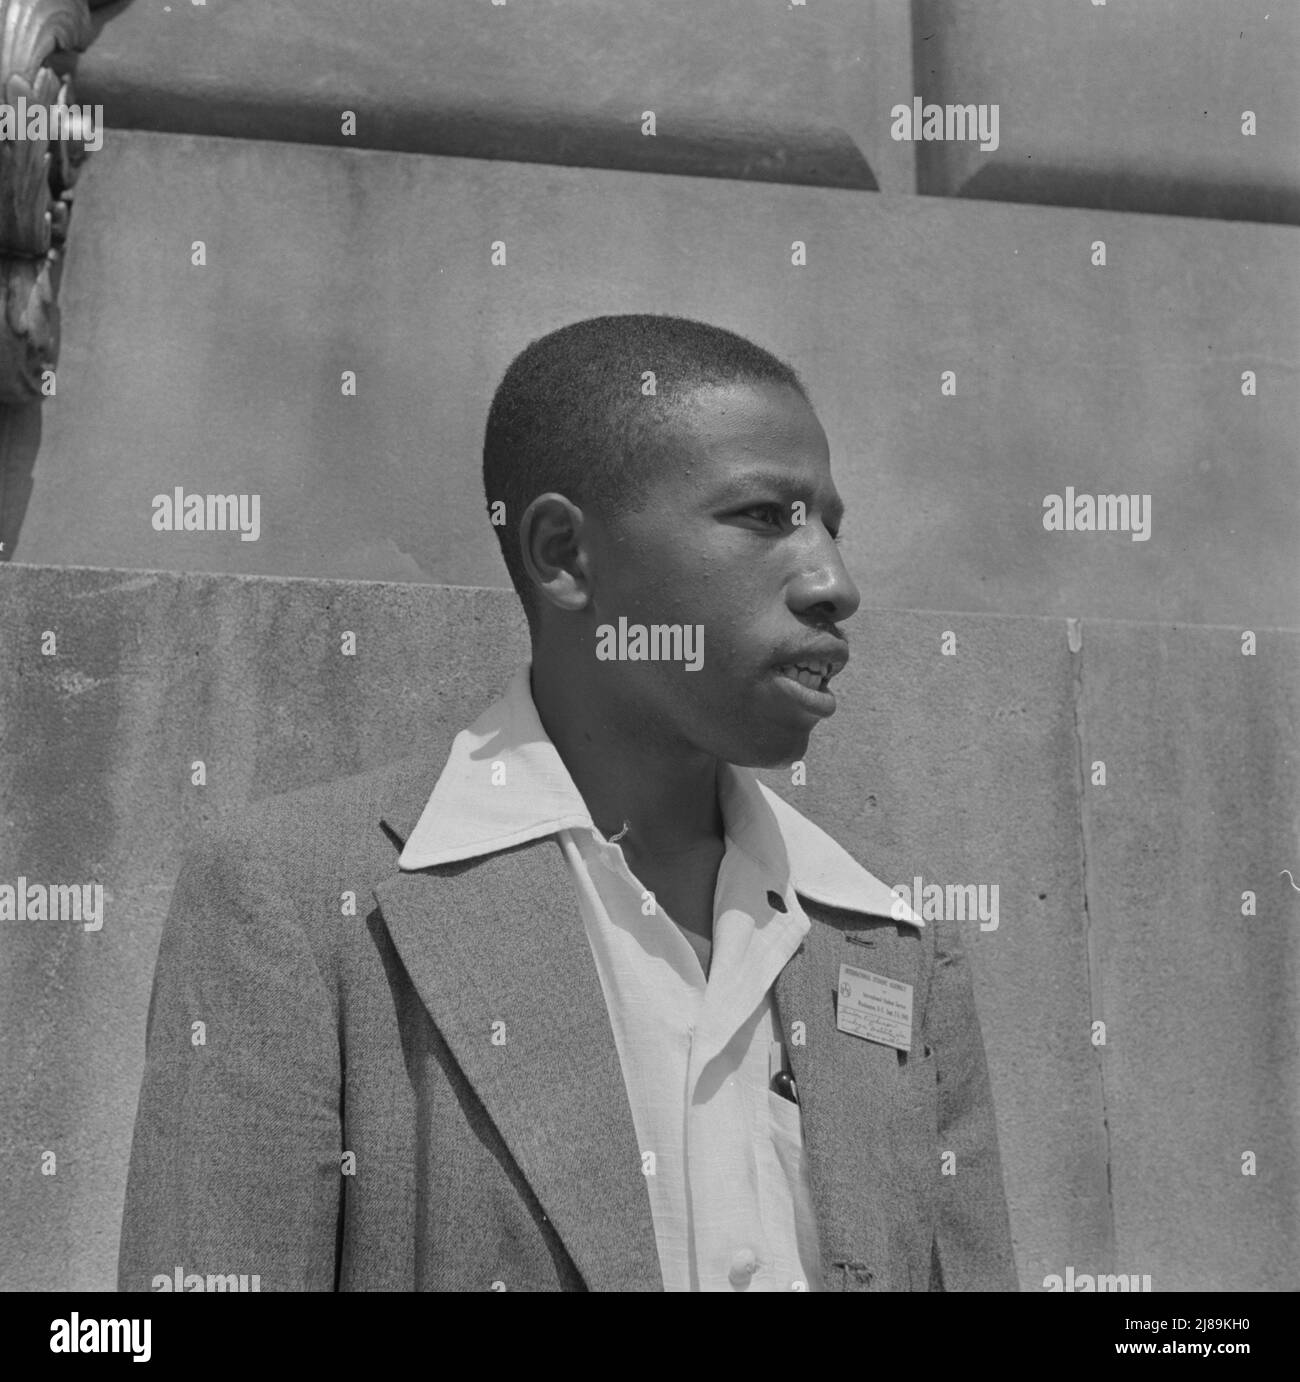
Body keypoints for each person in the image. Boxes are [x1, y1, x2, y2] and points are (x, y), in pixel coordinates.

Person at [118, 314, 1016, 1291]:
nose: (833, 583)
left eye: (830, 524)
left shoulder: (887, 944)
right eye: (765, 515)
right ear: (564, 554)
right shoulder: (303, 902)